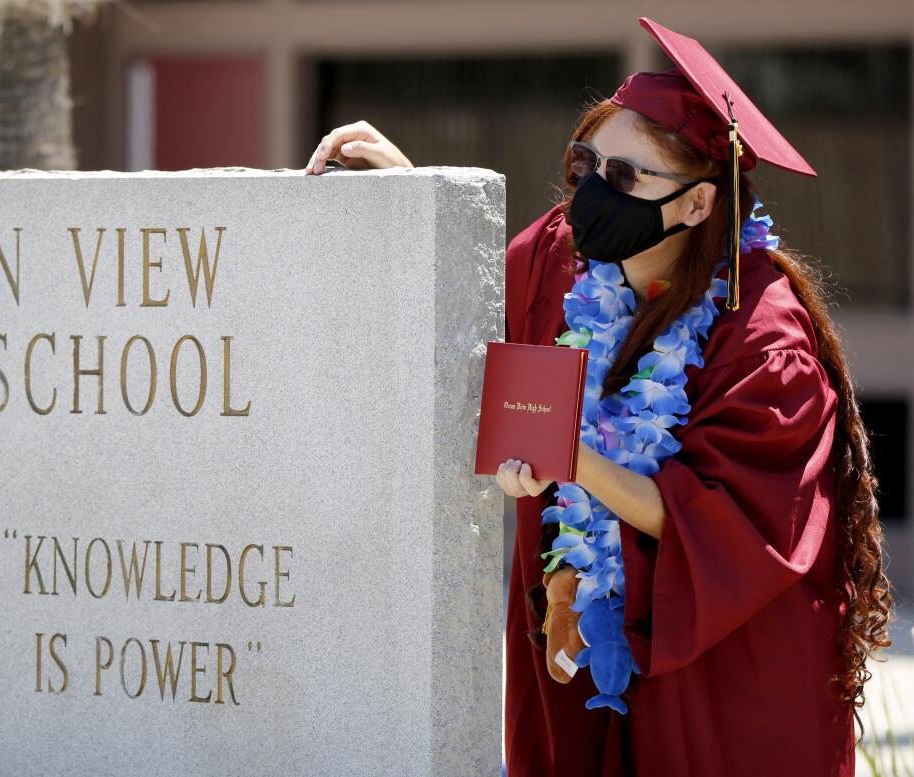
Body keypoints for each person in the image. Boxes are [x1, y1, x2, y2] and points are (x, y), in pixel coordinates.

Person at [305, 16, 894, 777]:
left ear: (696, 205)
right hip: (587, 639)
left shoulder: (766, 340)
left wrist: (569, 459)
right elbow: (486, 297)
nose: (589, 192)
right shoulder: (571, 255)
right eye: (586, 164)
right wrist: (415, 190)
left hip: (723, 668)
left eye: (625, 178)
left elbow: (725, 519)